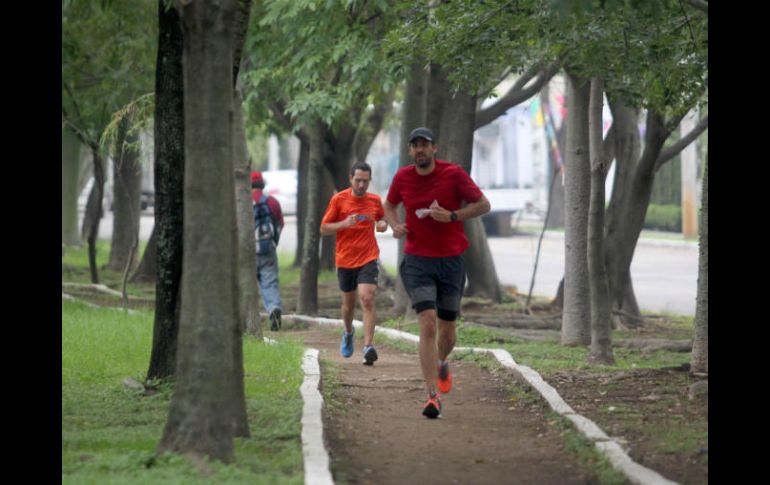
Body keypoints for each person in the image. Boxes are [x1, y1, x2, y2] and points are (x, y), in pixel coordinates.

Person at [383, 127, 491, 419]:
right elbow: (389, 205)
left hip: (451, 261)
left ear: (434, 149)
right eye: (415, 145)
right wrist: (395, 226)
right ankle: (431, 396)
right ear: (410, 151)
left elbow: (483, 205)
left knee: (447, 331)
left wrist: (453, 216)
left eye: (425, 145)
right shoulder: (402, 177)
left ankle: (442, 361)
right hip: (417, 260)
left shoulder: (453, 174)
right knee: (427, 324)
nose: (420, 150)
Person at [320, 162, 388, 365]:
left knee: (367, 298)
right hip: (345, 259)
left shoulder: (375, 201)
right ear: (351, 179)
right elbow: (324, 228)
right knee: (348, 306)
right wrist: (343, 224)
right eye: (357, 180)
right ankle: (348, 332)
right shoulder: (339, 200)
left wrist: (383, 225)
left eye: (365, 181)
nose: (361, 185)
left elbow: (381, 221)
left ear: (369, 181)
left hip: (368, 257)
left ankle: (368, 346)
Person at [251, 170, 285, 331]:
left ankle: (247, 317)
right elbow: (280, 224)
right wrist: (273, 242)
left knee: (245, 284)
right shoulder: (272, 202)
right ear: (262, 184)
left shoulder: (239, 201)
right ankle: (273, 308)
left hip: (246, 252)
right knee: (269, 282)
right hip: (267, 249)